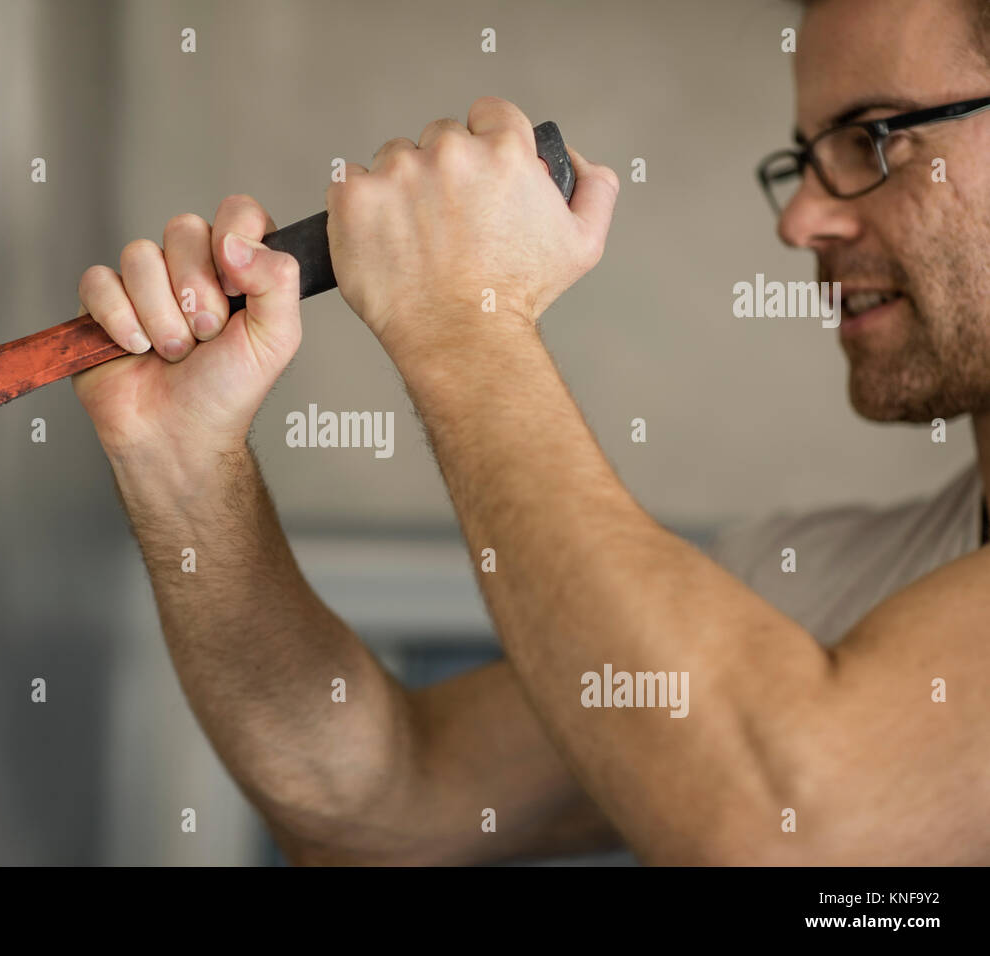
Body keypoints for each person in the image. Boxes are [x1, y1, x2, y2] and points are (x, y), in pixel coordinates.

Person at [72, 0, 990, 864]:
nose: (800, 219)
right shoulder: (828, 592)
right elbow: (381, 804)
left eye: (875, 138)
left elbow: (786, 839)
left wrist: (466, 327)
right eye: (807, 159)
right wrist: (185, 465)